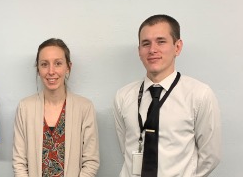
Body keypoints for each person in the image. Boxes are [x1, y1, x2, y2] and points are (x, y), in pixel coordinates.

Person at [113, 14, 221, 177]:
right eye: (146, 43)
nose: (152, 50)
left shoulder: (199, 95)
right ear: (139, 51)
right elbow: (126, 147)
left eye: (161, 41)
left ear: (177, 47)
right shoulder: (123, 96)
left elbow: (210, 157)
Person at [12, 38, 100, 176]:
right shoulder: (25, 108)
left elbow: (91, 161)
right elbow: (19, 162)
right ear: (38, 69)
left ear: (68, 67)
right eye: (44, 64)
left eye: (58, 63)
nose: (51, 71)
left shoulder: (84, 108)